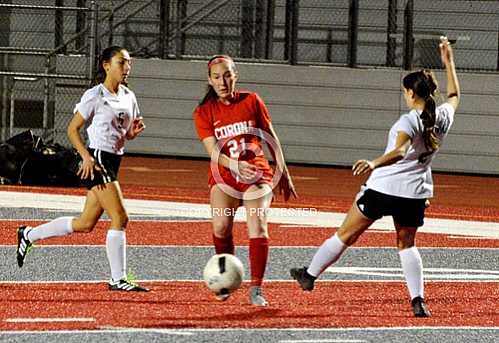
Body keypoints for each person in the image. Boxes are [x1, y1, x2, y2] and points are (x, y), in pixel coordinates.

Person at [290, 36, 459, 317]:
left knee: (345, 233)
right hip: (415, 193)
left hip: (384, 189)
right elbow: (454, 96)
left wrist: (373, 162)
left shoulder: (409, 120)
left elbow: (400, 151)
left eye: (406, 91)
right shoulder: (442, 116)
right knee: (406, 245)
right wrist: (449, 62)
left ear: (411, 93)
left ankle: (309, 275)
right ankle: (417, 300)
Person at [16, 46, 149, 292]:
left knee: (84, 223)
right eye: (122, 62)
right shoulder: (95, 95)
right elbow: (71, 129)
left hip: (114, 160)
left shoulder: (129, 96)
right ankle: (117, 279)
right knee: (120, 217)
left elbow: (123, 134)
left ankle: (28, 235)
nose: (127, 67)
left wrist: (132, 134)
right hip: (98, 160)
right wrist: (86, 157)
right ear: (106, 65)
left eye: (129, 63)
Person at [194, 55, 297, 306]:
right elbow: (213, 152)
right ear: (209, 80)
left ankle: (256, 289)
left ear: (235, 75)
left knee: (258, 225)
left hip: (257, 174)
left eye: (227, 75)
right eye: (217, 77)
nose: (222, 81)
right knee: (220, 226)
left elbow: (271, 136)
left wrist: (282, 170)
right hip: (225, 175)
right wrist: (235, 165)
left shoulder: (252, 100)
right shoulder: (204, 112)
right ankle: (224, 278)